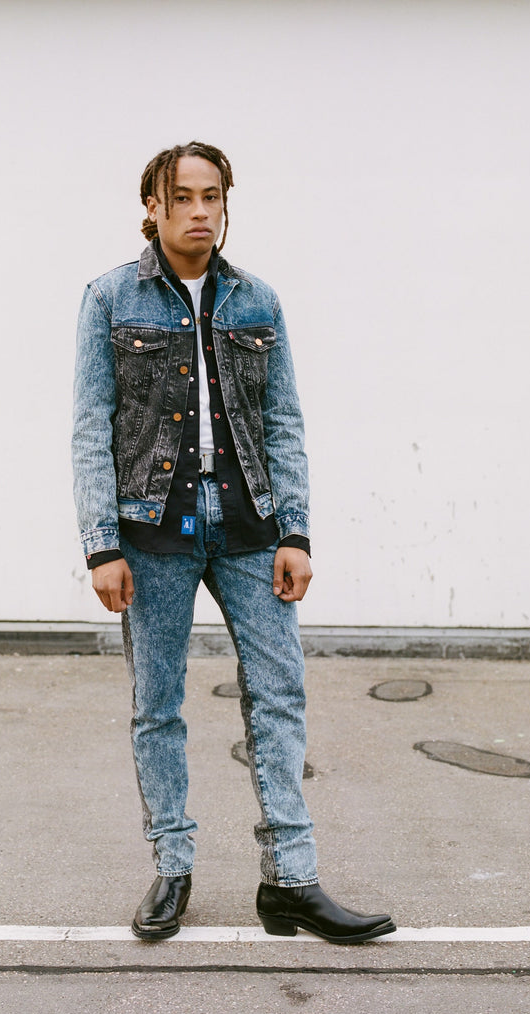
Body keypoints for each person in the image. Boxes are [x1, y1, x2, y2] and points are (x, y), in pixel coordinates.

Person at [72, 142, 395, 944]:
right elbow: (90, 427)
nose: (199, 211)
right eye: (182, 197)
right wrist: (102, 544)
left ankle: (291, 880)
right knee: (158, 705)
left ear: (226, 203)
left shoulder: (259, 301)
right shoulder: (110, 298)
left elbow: (283, 423)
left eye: (211, 196)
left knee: (279, 692)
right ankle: (172, 867)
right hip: (153, 530)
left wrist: (296, 531)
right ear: (152, 206)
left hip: (250, 526)